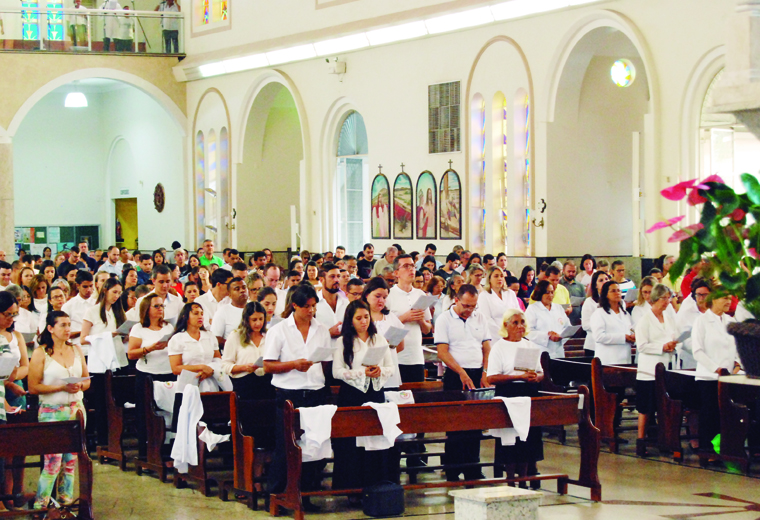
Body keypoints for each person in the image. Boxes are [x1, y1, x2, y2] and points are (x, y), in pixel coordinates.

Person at [263, 284, 331, 506]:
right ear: (294, 305)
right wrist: (293, 365)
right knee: (286, 447)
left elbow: (325, 361)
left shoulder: (321, 329)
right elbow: (268, 365)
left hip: (315, 392)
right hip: (289, 393)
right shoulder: (279, 330)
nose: (311, 311)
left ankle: (306, 494)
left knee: (313, 445)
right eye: (306, 307)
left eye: (313, 306)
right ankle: (276, 495)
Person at [331, 300, 395, 495]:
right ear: (350, 321)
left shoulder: (379, 339)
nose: (363, 321)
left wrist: (380, 371)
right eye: (358, 318)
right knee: (351, 444)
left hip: (375, 393)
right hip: (351, 394)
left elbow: (391, 367)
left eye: (366, 317)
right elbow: (336, 371)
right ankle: (352, 488)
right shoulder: (343, 341)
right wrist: (361, 372)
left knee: (374, 440)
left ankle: (375, 486)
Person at [28, 311, 90, 510]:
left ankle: (65, 503)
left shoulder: (76, 349)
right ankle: (41, 505)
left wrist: (80, 385)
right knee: (52, 463)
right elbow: (33, 387)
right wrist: (61, 387)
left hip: (75, 410)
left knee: (70, 461)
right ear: (50, 328)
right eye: (62, 325)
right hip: (52, 411)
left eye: (69, 324)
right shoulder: (41, 353)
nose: (67, 329)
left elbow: (87, 379)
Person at [435, 284, 491, 482]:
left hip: (476, 373)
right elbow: (442, 352)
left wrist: (485, 371)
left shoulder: (480, 317)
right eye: (466, 305)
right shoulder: (444, 319)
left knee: (475, 423)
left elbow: (486, 347)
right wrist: (461, 372)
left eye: (473, 306)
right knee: (456, 423)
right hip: (455, 374)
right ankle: (453, 468)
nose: (469, 310)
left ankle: (472, 467)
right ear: (456, 300)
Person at [487, 308, 544, 485]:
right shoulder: (499, 347)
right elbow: (491, 377)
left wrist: (536, 377)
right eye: (515, 323)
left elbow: (540, 372)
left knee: (529, 437)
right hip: (508, 394)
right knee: (511, 438)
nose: (520, 326)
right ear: (506, 325)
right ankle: (511, 478)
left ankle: (526, 477)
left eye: (522, 322)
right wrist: (518, 377)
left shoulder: (530, 345)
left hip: (528, 393)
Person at [692, 288, 741, 457]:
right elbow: (697, 351)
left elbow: (737, 347)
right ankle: (708, 450)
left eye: (730, 298)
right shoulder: (702, 321)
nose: (728, 302)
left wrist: (737, 364)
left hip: (729, 378)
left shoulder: (730, 321)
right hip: (709, 376)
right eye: (724, 298)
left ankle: (726, 449)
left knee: (727, 414)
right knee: (710, 413)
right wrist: (717, 369)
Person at [126, 294, 174, 457]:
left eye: (162, 306)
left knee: (169, 412)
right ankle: (146, 452)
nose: (161, 309)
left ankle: (167, 450)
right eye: (157, 306)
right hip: (147, 376)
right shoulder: (139, 328)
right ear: (147, 309)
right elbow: (131, 353)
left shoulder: (168, 327)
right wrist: (150, 348)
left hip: (168, 373)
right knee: (146, 414)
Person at [633, 284, 677, 457]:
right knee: (646, 407)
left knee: (664, 406)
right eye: (663, 298)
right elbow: (642, 346)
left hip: (666, 367)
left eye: (668, 298)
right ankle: (641, 441)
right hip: (648, 370)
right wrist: (662, 347)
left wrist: (673, 345)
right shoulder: (645, 320)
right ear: (655, 299)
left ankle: (665, 440)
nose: (667, 302)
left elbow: (672, 336)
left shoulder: (668, 318)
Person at [221, 301, 274, 401]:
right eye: (254, 320)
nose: (258, 323)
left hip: (267, 383)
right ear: (246, 320)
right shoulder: (235, 336)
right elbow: (225, 365)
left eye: (261, 319)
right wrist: (243, 367)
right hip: (244, 385)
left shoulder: (269, 335)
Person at [363, 277, 405, 390]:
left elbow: (401, 345)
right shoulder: (361, 316)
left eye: (384, 297)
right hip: (368, 371)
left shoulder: (390, 317)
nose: (381, 300)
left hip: (389, 371)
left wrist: (387, 350)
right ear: (367, 294)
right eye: (377, 296)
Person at [168, 303, 221, 385]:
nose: (200, 317)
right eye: (196, 313)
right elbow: (175, 369)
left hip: (211, 382)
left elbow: (218, 359)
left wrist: (210, 370)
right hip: (187, 383)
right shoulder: (177, 339)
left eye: (202, 314)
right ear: (185, 317)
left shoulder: (210, 336)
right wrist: (201, 367)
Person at [590, 281, 635, 365]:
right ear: (606, 294)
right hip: (608, 359)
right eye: (613, 291)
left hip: (625, 357)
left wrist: (633, 336)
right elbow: (599, 337)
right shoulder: (599, 313)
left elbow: (631, 329)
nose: (617, 293)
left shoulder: (625, 313)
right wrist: (623, 337)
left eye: (619, 290)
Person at [525, 280, 571, 359]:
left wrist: (560, 336)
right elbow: (528, 331)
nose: (550, 295)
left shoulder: (558, 308)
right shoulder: (532, 309)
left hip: (559, 350)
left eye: (552, 292)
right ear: (540, 293)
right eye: (547, 292)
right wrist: (547, 336)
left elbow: (568, 327)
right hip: (540, 351)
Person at [675, 279, 711, 369]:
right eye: (698, 295)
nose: (701, 298)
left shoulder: (714, 313)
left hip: (714, 360)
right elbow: (684, 339)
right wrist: (703, 352)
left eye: (705, 295)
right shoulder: (686, 313)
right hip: (691, 362)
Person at [478, 266, 522, 339]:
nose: (499, 279)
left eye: (501, 276)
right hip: (494, 336)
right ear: (489, 279)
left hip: (513, 333)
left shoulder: (510, 293)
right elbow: (487, 319)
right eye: (496, 276)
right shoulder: (484, 296)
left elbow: (518, 313)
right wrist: (504, 333)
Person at [315, 263, 348, 351]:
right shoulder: (314, 305)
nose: (336, 280)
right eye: (332, 276)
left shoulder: (346, 303)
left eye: (338, 276)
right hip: (322, 354)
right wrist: (328, 333)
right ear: (321, 279)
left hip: (343, 353)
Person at [211, 277, 248, 349]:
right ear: (229, 294)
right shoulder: (222, 312)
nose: (242, 291)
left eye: (244, 287)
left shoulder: (254, 307)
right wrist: (235, 345)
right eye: (237, 289)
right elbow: (215, 338)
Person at [61, 270, 95, 347]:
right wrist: (84, 332)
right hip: (77, 346)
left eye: (91, 286)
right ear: (78, 286)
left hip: (95, 347)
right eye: (85, 287)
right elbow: (63, 332)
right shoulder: (68, 306)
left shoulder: (97, 304)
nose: (89, 290)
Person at [580, 270, 610, 356]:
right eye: (601, 280)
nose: (605, 282)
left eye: (606, 279)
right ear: (595, 285)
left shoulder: (615, 302)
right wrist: (604, 326)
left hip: (611, 344)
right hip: (593, 345)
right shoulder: (589, 302)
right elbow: (585, 325)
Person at [559, 261, 585, 325]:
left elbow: (584, 303)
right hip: (561, 319)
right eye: (569, 271)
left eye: (573, 272)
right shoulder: (558, 284)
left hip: (577, 320)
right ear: (563, 271)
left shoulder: (580, 286)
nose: (571, 274)